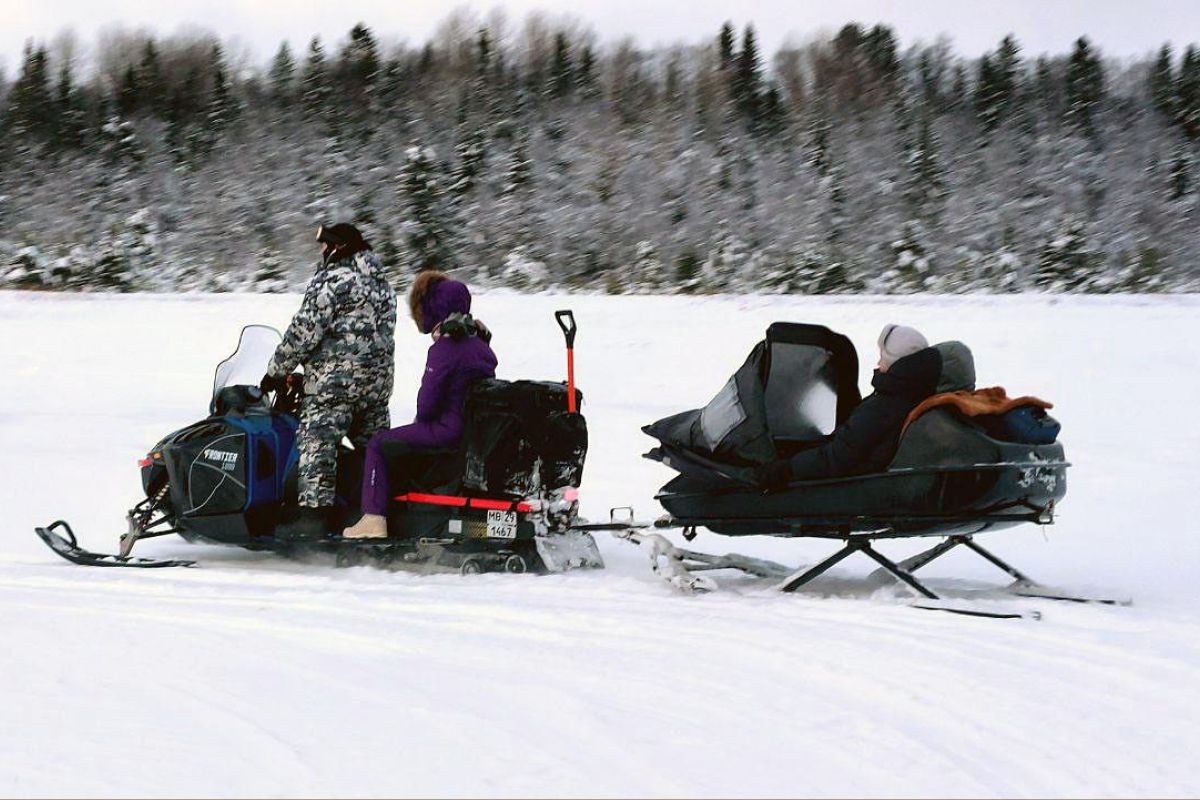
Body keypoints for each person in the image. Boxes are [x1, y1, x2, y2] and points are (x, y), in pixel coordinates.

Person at [261, 223, 397, 541]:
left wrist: (276, 372)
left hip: (335, 385)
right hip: (376, 385)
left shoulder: (333, 280)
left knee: (316, 442)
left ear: (338, 248)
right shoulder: (382, 284)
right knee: (375, 451)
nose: (322, 252)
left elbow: (304, 331)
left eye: (325, 246)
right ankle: (378, 512)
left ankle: (312, 520)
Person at [342, 271, 498, 539]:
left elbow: (426, 406)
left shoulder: (445, 348)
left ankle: (373, 519)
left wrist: (421, 421)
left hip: (447, 429)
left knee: (379, 443)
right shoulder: (481, 345)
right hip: (470, 432)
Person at [755, 323, 940, 489]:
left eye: (882, 358)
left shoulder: (884, 408)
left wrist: (786, 469)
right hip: (857, 471)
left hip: (849, 485)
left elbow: (836, 458)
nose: (877, 363)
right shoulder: (911, 393)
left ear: (897, 364)